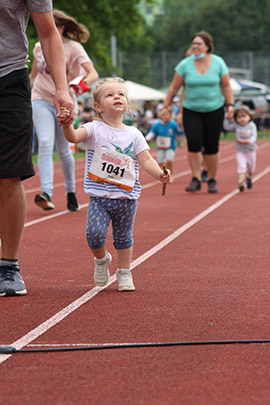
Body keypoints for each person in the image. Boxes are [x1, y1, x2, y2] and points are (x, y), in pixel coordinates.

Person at [60, 77, 171, 291]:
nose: (117, 97)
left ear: (127, 104)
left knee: (124, 237)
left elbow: (146, 159)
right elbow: (73, 137)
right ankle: (101, 260)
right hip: (99, 198)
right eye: (110, 95)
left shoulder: (134, 134)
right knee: (94, 235)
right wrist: (67, 125)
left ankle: (124, 272)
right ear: (98, 107)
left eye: (120, 94)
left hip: (126, 198)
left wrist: (159, 174)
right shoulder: (93, 129)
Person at [0, 1, 74, 297]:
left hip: (9, 78)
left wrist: (62, 88)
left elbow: (48, 32)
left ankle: (8, 266)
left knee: (9, 176)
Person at [30, 9, 99, 211]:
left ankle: (70, 191)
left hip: (66, 101)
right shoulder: (37, 47)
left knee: (64, 149)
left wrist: (79, 85)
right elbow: (34, 76)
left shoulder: (74, 48)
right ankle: (46, 193)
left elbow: (93, 73)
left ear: (60, 28)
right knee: (44, 142)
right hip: (41, 98)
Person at [162, 31, 235, 193]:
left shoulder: (218, 63)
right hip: (191, 110)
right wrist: (165, 106)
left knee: (212, 146)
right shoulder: (184, 65)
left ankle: (211, 179)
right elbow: (174, 88)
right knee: (193, 142)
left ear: (207, 46)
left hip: (214, 109)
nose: (194, 46)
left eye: (198, 44)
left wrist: (230, 105)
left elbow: (226, 85)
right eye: (193, 43)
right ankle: (195, 177)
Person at [223, 106, 257, 191]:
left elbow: (254, 135)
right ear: (236, 118)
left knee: (251, 168)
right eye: (239, 117)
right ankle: (241, 182)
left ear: (249, 117)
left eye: (244, 116)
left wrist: (250, 141)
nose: (242, 119)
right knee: (241, 166)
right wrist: (226, 118)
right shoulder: (236, 125)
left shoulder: (251, 125)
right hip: (240, 151)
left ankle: (248, 177)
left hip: (250, 150)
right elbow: (226, 127)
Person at [146, 106, 178, 175]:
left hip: (170, 146)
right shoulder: (157, 125)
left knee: (168, 161)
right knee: (160, 162)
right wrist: (146, 139)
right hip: (161, 147)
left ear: (170, 115)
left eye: (167, 114)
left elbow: (179, 131)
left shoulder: (173, 124)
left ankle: (170, 174)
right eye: (163, 115)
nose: (165, 116)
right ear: (160, 115)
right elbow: (152, 133)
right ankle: (166, 172)